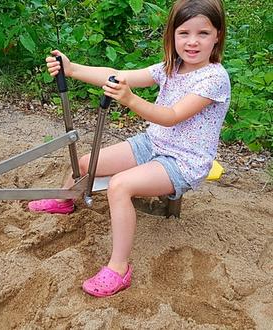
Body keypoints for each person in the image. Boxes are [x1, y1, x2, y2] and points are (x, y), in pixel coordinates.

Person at [28, 0, 230, 297]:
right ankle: (66, 200)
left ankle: (119, 268)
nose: (192, 41)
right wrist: (72, 69)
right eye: (184, 32)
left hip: (184, 160)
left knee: (119, 186)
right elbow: (117, 74)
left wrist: (131, 100)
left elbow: (172, 116)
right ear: (172, 35)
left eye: (202, 33)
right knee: (86, 163)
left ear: (217, 36)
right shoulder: (170, 67)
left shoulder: (214, 78)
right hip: (154, 143)